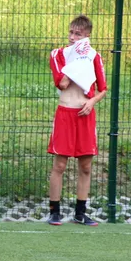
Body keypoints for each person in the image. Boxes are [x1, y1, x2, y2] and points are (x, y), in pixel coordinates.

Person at [47, 15, 107, 226]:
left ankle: (80, 213)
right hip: (65, 113)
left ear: (87, 35)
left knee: (86, 167)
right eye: (71, 32)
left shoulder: (94, 57)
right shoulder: (58, 55)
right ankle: (54, 211)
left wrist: (91, 102)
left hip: (85, 115)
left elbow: (103, 89)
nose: (72, 37)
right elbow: (62, 83)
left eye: (78, 34)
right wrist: (77, 60)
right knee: (60, 165)